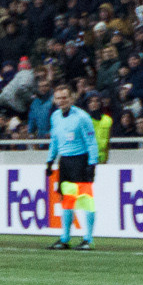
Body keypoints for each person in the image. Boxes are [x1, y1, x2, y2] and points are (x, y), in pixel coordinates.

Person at [46, 85, 98, 250]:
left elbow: (91, 142)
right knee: (67, 201)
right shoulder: (55, 116)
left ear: (71, 99)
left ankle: (88, 239)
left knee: (86, 201)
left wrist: (92, 164)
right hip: (65, 162)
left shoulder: (82, 117)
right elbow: (55, 140)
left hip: (80, 161)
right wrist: (50, 160)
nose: (61, 101)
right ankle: (65, 238)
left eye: (64, 98)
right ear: (55, 100)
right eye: (58, 98)